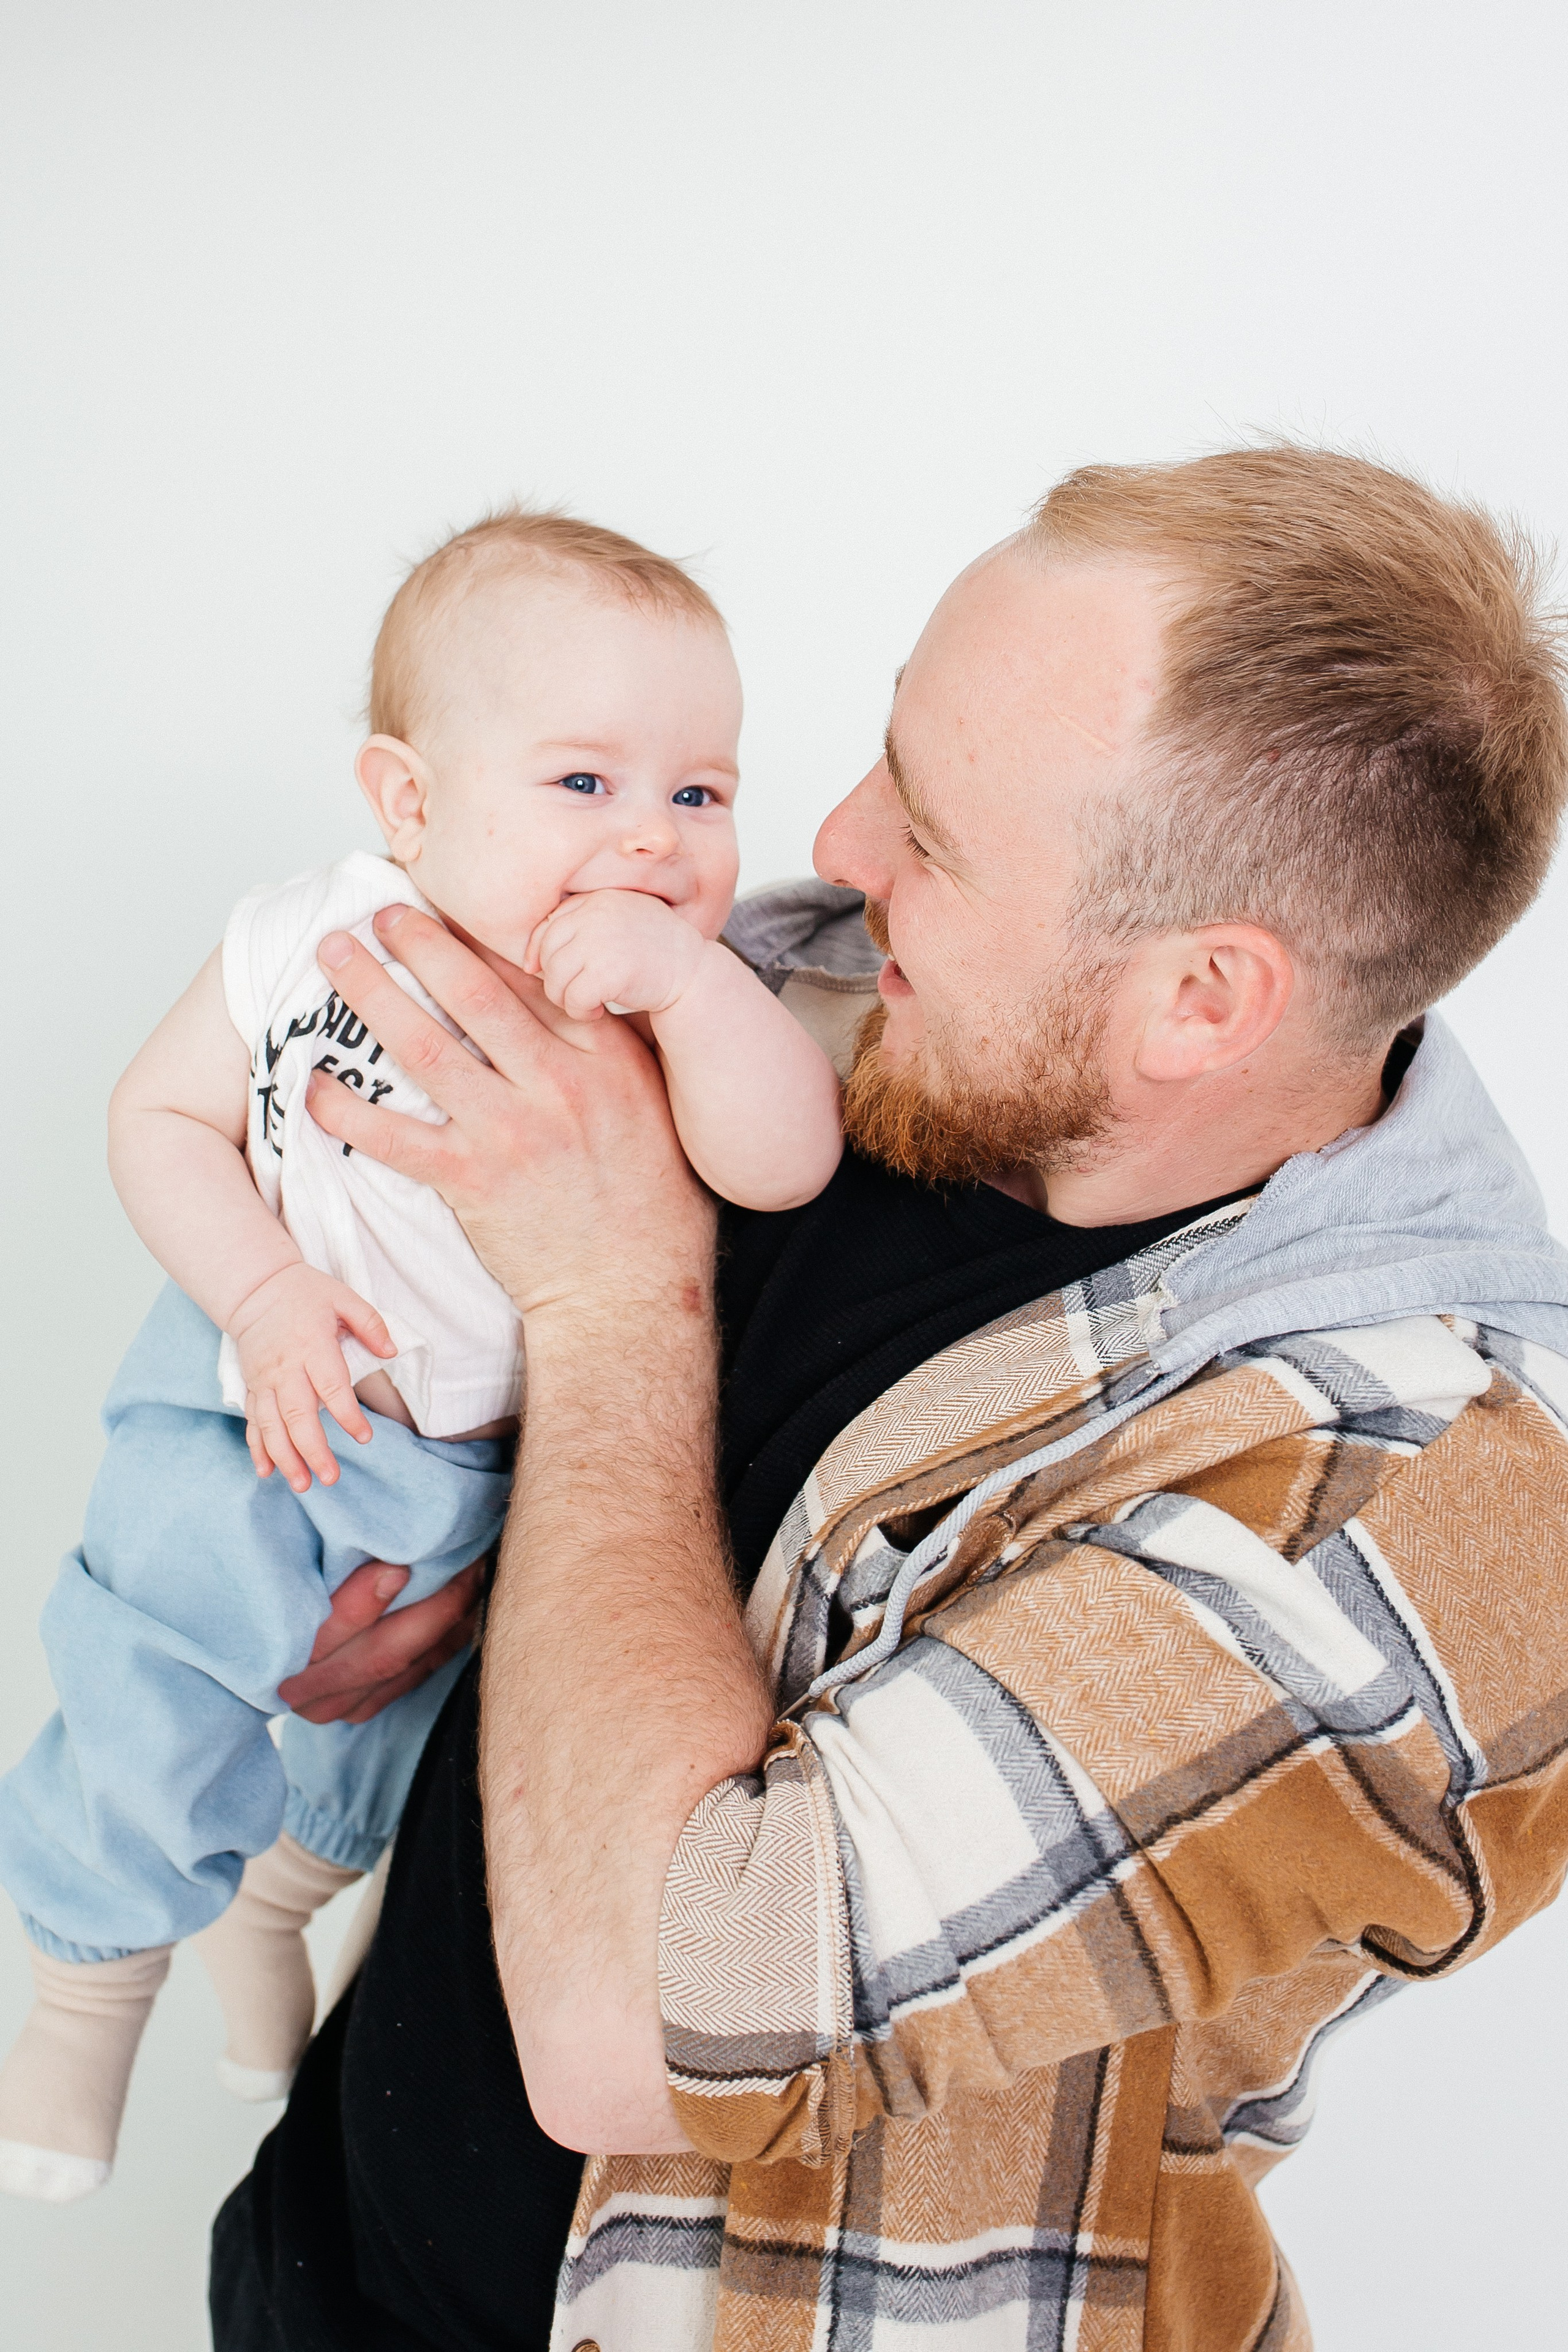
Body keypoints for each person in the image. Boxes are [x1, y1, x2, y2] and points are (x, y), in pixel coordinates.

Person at [212, 445, 1568, 2352]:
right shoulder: (840, 1006)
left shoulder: (1422, 1512)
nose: (838, 843)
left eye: (932, 828)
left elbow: (650, 2023)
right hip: (322, 2262)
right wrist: (426, 1574)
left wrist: (613, 1299)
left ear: (1204, 999)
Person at [0, 510, 843, 2203]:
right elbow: (157, 1119)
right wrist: (262, 1294)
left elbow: (783, 1165)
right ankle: (86, 1988)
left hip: (478, 1470)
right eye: (584, 782)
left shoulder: (673, 1003)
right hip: (258, 1397)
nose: (652, 836)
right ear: (409, 802)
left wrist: (694, 990)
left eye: (701, 793)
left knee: (393, 1747)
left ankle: (275, 1911)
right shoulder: (310, 939)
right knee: (158, 1674)